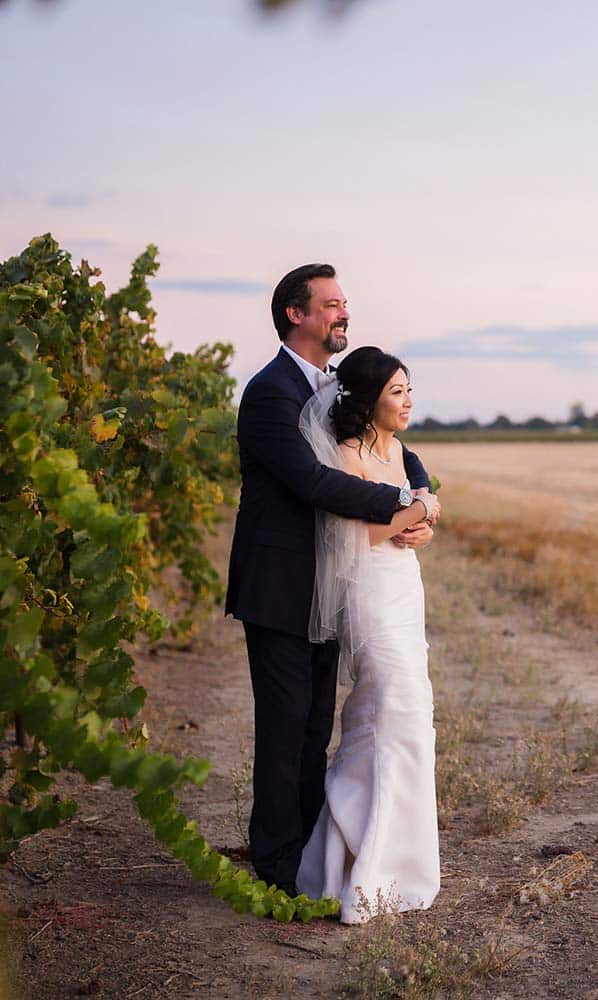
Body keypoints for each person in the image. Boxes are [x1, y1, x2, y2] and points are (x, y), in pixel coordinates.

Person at [225, 264, 440, 897]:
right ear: (297, 314)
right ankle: (277, 865)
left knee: (318, 725)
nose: (344, 313)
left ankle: (314, 856)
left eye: (345, 304)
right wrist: (405, 507)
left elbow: (391, 444)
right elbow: (312, 483)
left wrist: (422, 494)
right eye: (332, 304)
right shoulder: (272, 393)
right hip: (281, 585)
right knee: (286, 727)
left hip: (330, 587)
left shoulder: (332, 386)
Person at [296, 347, 439, 924]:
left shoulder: (402, 452)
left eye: (409, 390)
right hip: (369, 595)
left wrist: (423, 520)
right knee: (391, 707)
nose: (407, 402)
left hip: (406, 589)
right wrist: (419, 510)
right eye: (397, 393)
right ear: (369, 400)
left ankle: (385, 861)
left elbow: (419, 509)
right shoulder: (346, 456)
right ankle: (360, 864)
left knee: (410, 719)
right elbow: (355, 537)